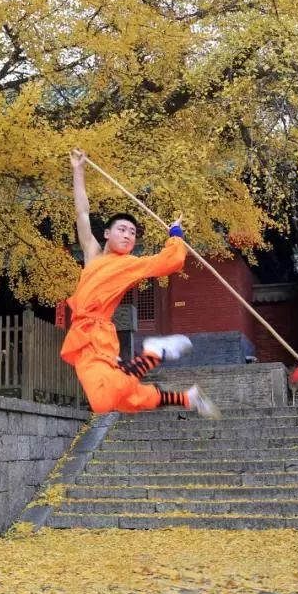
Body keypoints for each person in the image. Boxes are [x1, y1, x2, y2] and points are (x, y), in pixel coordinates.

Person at [60, 148, 220, 417]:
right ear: (107, 233)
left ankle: (154, 353)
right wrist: (78, 171)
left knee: (104, 399)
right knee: (121, 399)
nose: (127, 236)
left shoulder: (131, 264)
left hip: (99, 334)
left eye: (133, 233)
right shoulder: (92, 254)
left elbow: (170, 261)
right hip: (81, 335)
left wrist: (176, 233)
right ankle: (187, 398)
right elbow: (82, 213)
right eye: (122, 230)